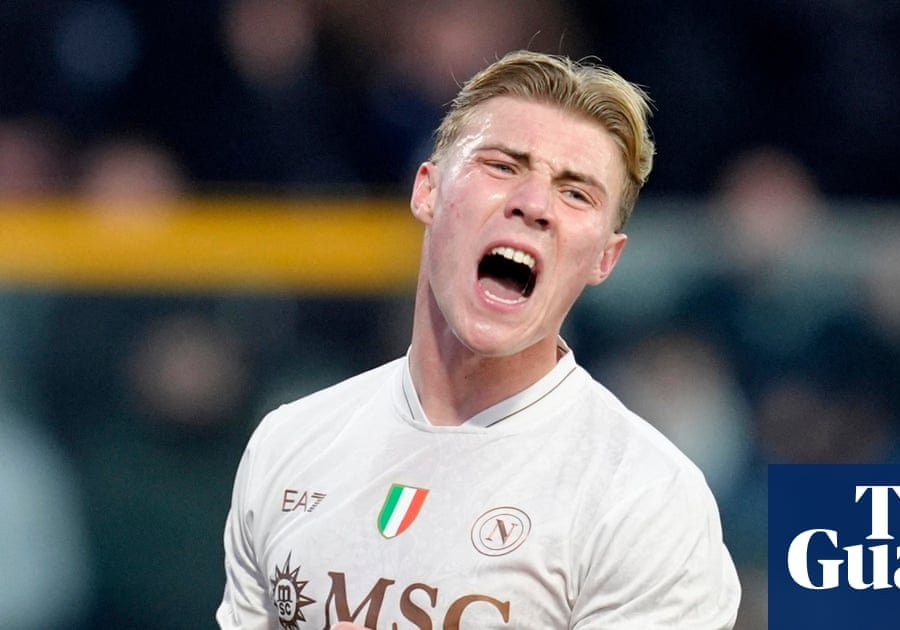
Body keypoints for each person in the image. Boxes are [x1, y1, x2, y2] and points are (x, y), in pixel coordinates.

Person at [217, 50, 741, 629]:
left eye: (576, 194)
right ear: (428, 191)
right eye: (502, 166)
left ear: (605, 258)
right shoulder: (290, 443)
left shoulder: (645, 500)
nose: (534, 204)